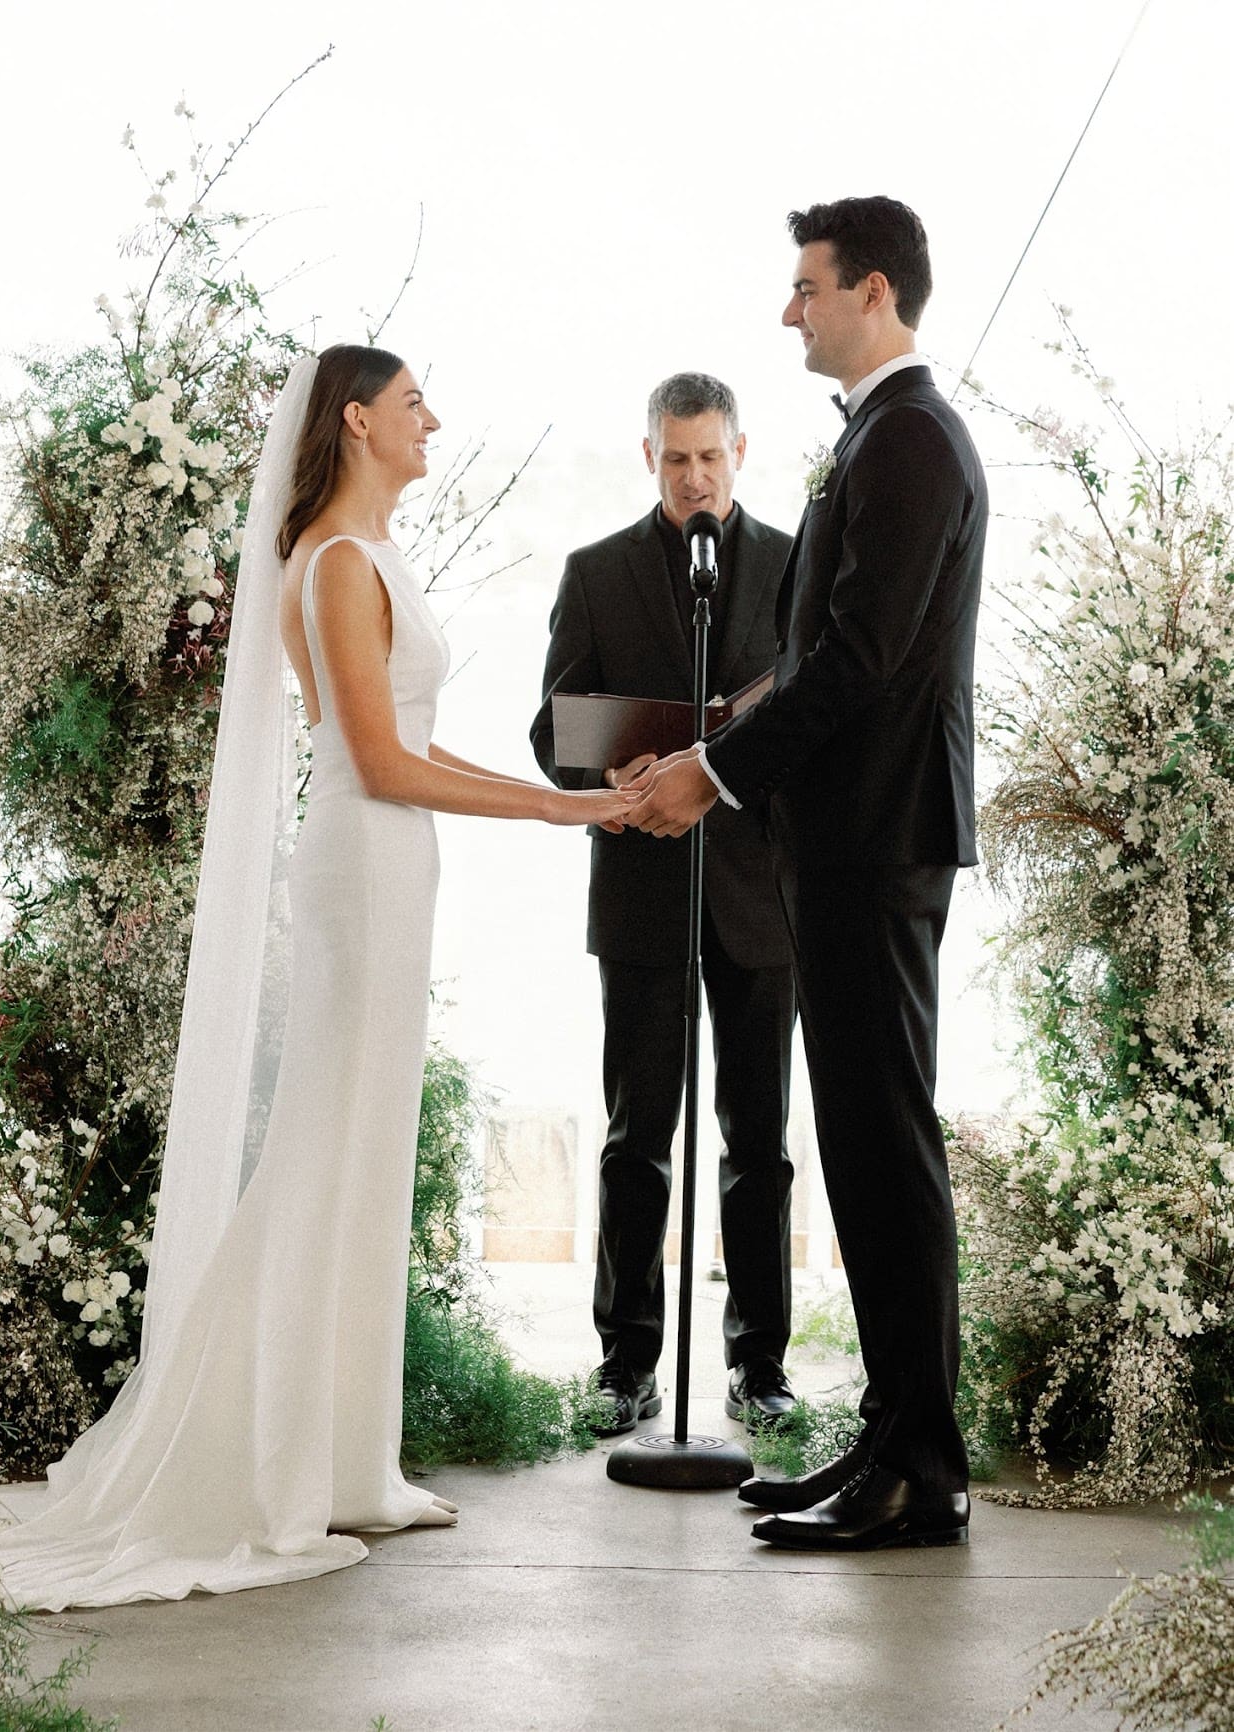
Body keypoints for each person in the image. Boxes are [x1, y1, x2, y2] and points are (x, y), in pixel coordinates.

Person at [0, 345, 631, 1610]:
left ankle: (349, 1461)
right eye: (411, 405)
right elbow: (382, 764)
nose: (432, 420)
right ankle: (277, 1465)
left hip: (397, 866)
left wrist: (569, 796)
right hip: (365, 863)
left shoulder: (370, 554)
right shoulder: (336, 563)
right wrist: (570, 816)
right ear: (354, 420)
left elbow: (410, 739)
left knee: (363, 1155)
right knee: (322, 1150)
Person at [626, 199, 987, 1551]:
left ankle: (925, 1468)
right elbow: (835, 649)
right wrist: (728, 733)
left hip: (879, 836)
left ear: (872, 292)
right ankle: (893, 1437)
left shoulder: (906, 439)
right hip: (852, 834)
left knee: (887, 1147)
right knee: (862, 1143)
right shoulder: (885, 437)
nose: (790, 310)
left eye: (806, 287)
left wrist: (715, 778)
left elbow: (864, 661)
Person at [531, 373, 798, 1435]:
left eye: (711, 458)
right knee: (637, 1131)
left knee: (759, 1138)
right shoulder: (594, 574)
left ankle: (761, 1366)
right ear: (647, 457)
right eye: (675, 458)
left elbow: (826, 723)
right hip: (641, 879)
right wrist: (622, 770)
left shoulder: (794, 566)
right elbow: (551, 738)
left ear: (741, 452)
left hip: (759, 892)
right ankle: (624, 1363)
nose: (694, 477)